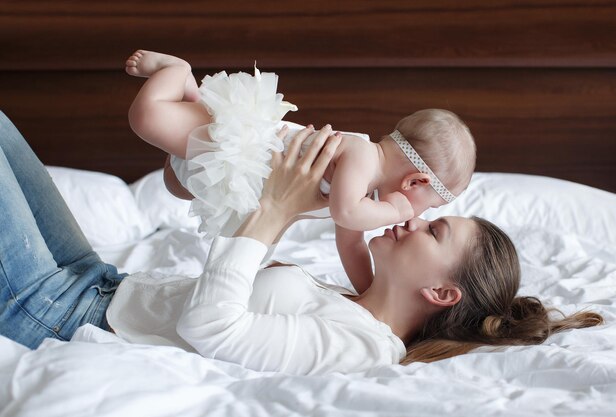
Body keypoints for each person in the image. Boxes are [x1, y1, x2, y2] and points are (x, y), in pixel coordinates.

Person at [0, 111, 602, 375]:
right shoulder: (353, 299)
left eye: (434, 228)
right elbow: (341, 219)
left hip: (58, 312)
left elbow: (214, 329)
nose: (413, 219)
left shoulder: (362, 349)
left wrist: (277, 210)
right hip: (100, 281)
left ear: (442, 290)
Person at [125, 50, 477, 293]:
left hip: (235, 179)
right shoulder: (362, 155)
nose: (414, 216)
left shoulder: (363, 190)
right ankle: (176, 71)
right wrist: (394, 209)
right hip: (235, 144)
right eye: (425, 206)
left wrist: (369, 293)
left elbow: (351, 244)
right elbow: (345, 213)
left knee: (177, 184)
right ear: (415, 181)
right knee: (147, 118)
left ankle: (191, 97)